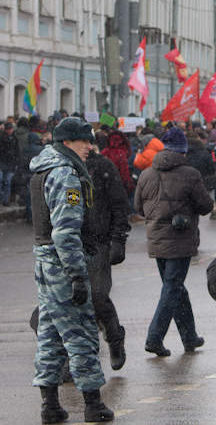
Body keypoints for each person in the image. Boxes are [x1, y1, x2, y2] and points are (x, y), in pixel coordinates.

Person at [29, 117, 113, 423]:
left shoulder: (43, 169)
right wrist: (77, 274)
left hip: (45, 260)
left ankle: (50, 404)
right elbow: (65, 231)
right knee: (82, 333)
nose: (90, 147)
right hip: (62, 262)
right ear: (68, 143)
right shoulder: (65, 175)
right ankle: (93, 404)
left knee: (50, 334)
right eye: (84, 141)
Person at [134, 127, 213, 357]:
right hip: (180, 239)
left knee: (175, 287)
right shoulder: (190, 174)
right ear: (183, 151)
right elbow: (206, 205)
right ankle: (154, 337)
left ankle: (189, 336)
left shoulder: (147, 173)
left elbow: (138, 207)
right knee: (172, 287)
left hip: (156, 239)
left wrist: (157, 214)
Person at [83, 144, 131, 370]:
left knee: (98, 295)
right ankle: (73, 358)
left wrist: (119, 238)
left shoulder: (102, 167)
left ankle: (114, 337)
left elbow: (119, 203)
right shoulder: (60, 168)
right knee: (63, 301)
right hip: (68, 242)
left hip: (98, 241)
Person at [0, 122, 20, 205]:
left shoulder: (14, 139)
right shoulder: (1, 138)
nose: (9, 131)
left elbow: (17, 151)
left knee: (7, 182)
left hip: (9, 164)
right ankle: (1, 199)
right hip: (3, 163)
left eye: (10, 129)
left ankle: (5, 200)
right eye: (8, 129)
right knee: (2, 182)